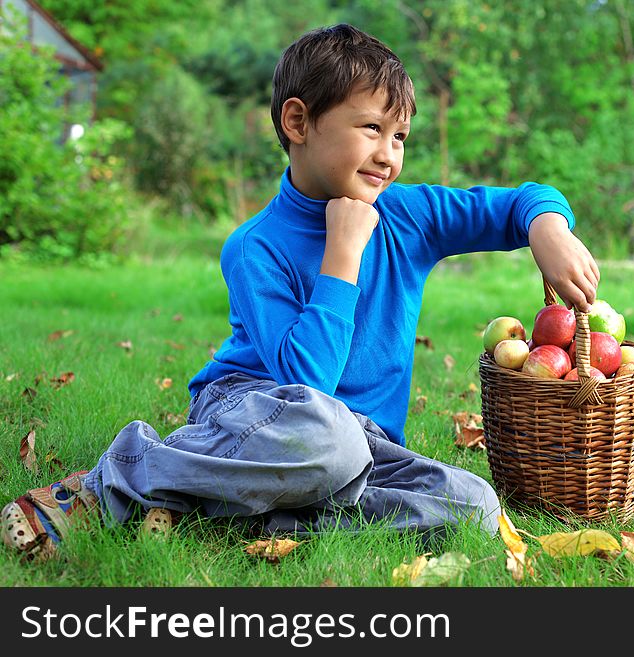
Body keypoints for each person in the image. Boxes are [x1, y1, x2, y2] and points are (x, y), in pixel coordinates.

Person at [2, 23, 600, 561]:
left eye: (400, 136)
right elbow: (306, 382)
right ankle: (119, 478)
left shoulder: (411, 215)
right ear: (298, 123)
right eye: (371, 128)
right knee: (328, 439)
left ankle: (238, 509)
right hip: (262, 412)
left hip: (362, 447)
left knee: (474, 506)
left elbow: (519, 200)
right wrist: (342, 256)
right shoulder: (254, 248)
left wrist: (546, 226)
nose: (388, 156)